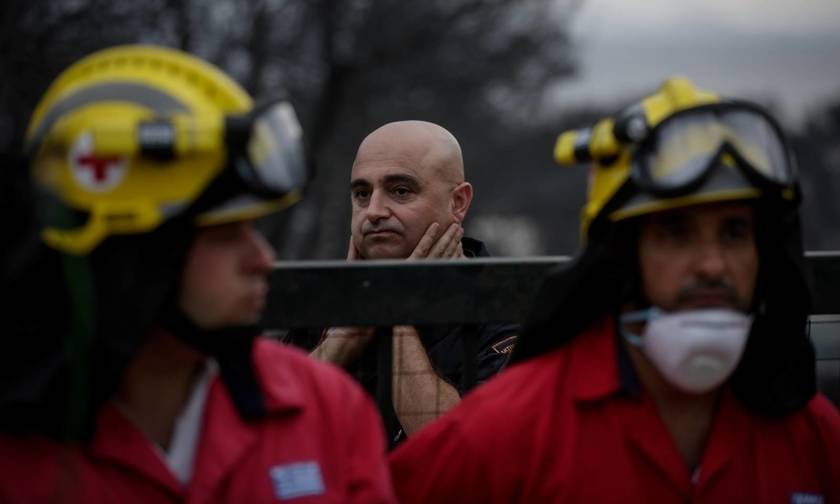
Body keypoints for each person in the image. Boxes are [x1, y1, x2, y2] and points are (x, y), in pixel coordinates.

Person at [389, 77, 840, 502]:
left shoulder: (815, 435)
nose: (712, 265)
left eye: (735, 232)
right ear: (622, 257)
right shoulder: (517, 426)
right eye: (676, 232)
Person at [0, 45, 396, 503]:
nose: (261, 258)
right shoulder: (16, 453)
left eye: (254, 228)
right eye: (226, 235)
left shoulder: (324, 409)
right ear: (133, 255)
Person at [286, 120, 518, 445]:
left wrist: (397, 314)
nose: (374, 212)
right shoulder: (322, 303)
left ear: (458, 203)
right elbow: (266, 429)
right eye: (362, 194)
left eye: (400, 191)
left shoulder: (512, 308)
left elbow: (460, 452)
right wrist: (345, 337)